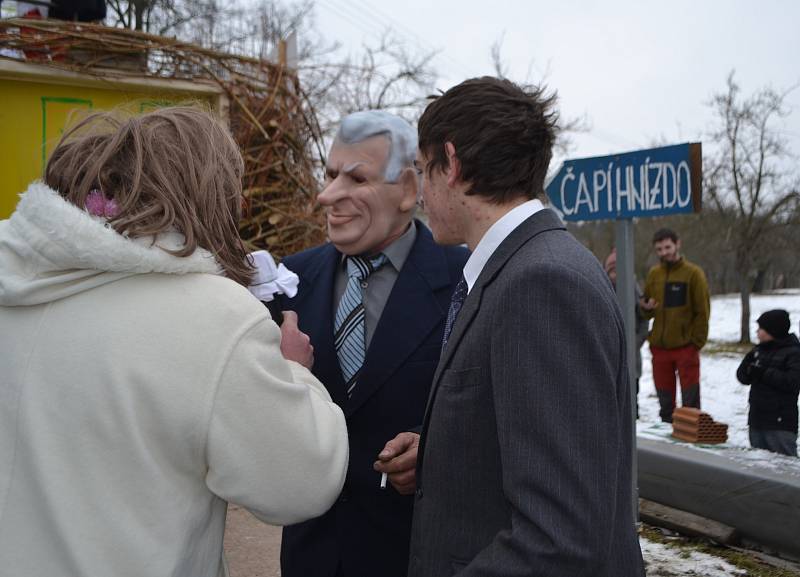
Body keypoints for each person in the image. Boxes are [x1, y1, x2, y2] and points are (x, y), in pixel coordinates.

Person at [0, 107, 349, 577]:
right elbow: (301, 483)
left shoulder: (12, 277)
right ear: (207, 195)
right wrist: (294, 373)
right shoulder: (214, 315)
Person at [408, 77, 644, 576]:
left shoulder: (541, 282)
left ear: (450, 164)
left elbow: (559, 537)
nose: (419, 193)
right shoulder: (518, 269)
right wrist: (440, 455)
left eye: (421, 170)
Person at [277, 110, 469, 577]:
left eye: (355, 177)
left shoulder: (465, 279)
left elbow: (498, 414)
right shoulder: (290, 281)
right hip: (312, 556)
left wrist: (439, 453)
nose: (327, 195)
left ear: (407, 190)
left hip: (412, 555)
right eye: (328, 174)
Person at [640, 228, 710, 422]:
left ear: (678, 244)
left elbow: (702, 311)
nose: (664, 252)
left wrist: (696, 343)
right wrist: (645, 307)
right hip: (660, 348)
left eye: (667, 247)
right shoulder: (654, 273)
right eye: (659, 249)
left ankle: (690, 443)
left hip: (686, 346)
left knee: (690, 404)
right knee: (665, 404)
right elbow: (648, 307)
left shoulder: (693, 273)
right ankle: (667, 438)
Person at [736, 309, 800, 457]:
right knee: (760, 464)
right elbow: (743, 378)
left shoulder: (794, 352)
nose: (757, 332)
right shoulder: (759, 350)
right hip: (757, 419)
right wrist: (747, 367)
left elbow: (793, 382)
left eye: (761, 329)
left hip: (780, 423)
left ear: (773, 330)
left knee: (783, 466)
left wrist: (763, 373)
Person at [605, 248, 650, 416]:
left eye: (618, 270)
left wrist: (634, 344)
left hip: (632, 357)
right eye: (611, 271)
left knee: (631, 402)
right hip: (608, 355)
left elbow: (644, 318)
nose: (615, 274)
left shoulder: (633, 288)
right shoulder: (600, 286)